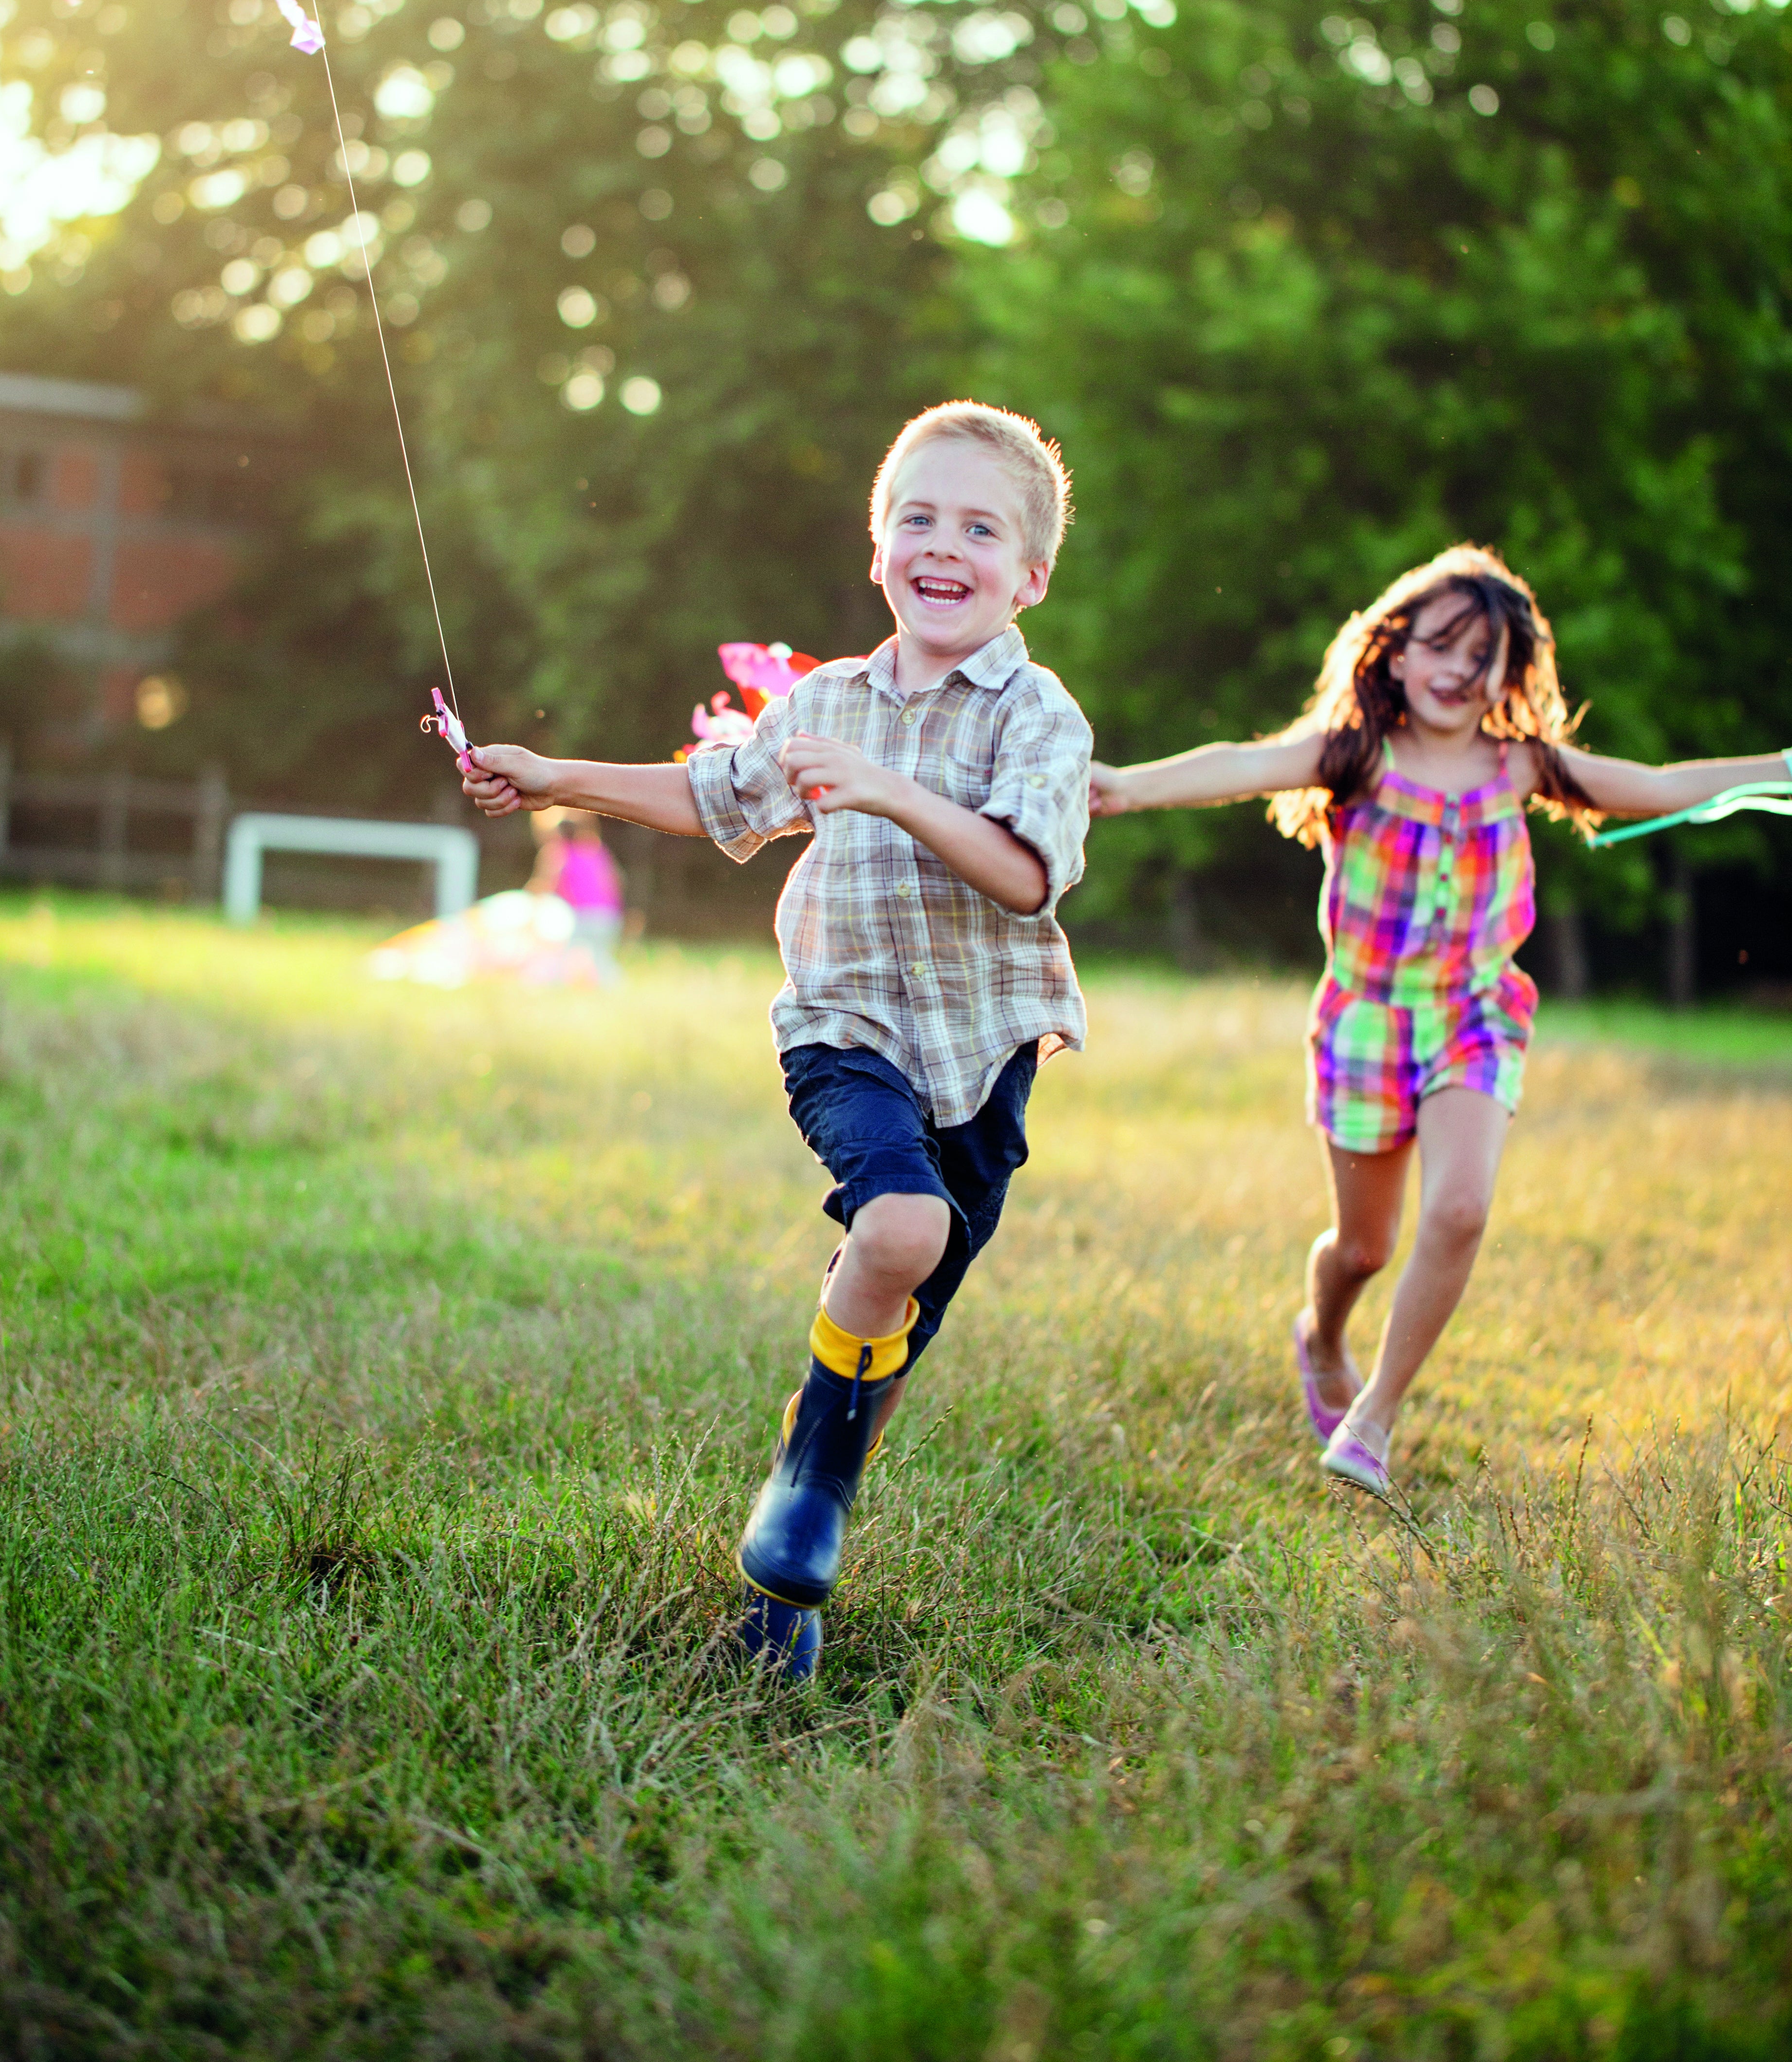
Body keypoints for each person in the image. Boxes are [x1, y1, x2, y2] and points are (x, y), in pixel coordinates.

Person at [459, 401, 1092, 1670]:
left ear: (1029, 575)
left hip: (983, 1060)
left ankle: (787, 1578)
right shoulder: (826, 702)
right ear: (878, 550)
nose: (942, 545)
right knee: (898, 1232)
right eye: (918, 517)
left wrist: (893, 791)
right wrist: (555, 773)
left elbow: (1027, 876)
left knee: (890, 1337)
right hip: (844, 1032)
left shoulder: (1038, 718)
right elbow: (713, 797)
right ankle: (805, 1492)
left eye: (979, 526)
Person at [1089, 544, 1790, 1502]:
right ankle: (1322, 1334)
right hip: (1366, 1025)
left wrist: (1782, 767)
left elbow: (1664, 784)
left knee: (1461, 1207)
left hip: (1474, 1016)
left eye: (1485, 655)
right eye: (1444, 646)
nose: (1462, 670)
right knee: (1363, 1248)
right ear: (1397, 652)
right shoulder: (1356, 754)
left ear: (1510, 673)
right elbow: (1245, 764)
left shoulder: (1521, 766)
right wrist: (1128, 784)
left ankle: (1373, 1419)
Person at [528, 808, 625, 984]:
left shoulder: (558, 853)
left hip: (580, 917)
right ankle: (613, 986)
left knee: (558, 955)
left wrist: (531, 901)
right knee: (600, 957)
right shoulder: (598, 850)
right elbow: (616, 881)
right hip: (608, 916)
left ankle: (547, 984)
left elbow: (546, 885)